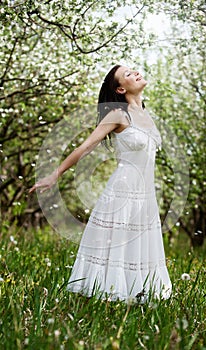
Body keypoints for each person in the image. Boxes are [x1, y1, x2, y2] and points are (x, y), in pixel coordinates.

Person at [29, 65, 172, 303]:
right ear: (120, 88)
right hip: (121, 194)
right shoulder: (118, 115)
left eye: (134, 70)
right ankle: (106, 297)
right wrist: (55, 174)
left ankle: (137, 295)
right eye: (128, 74)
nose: (135, 73)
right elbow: (85, 147)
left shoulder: (146, 115)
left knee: (138, 248)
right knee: (115, 247)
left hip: (145, 196)